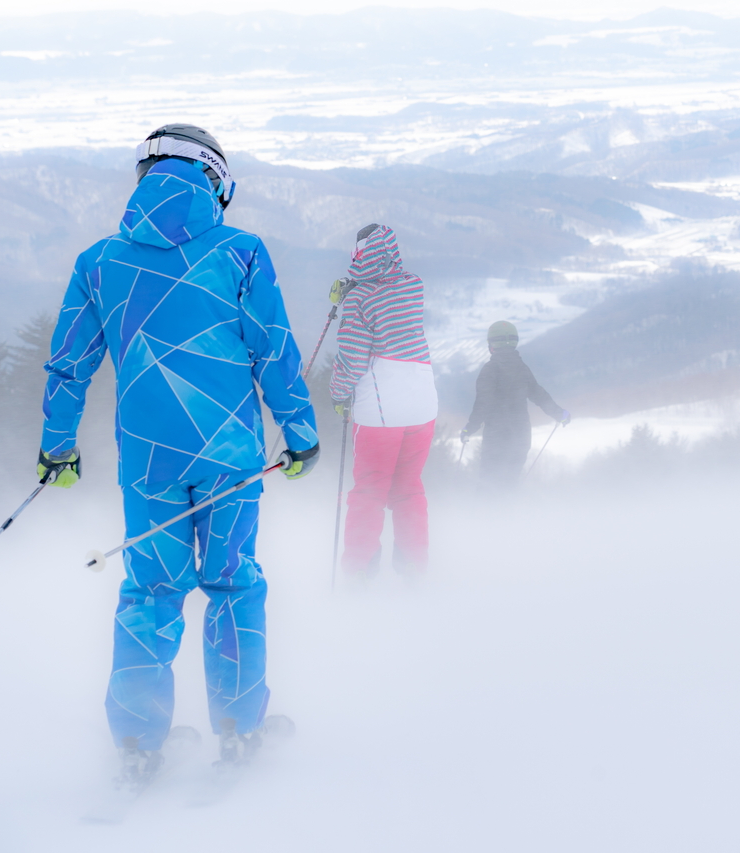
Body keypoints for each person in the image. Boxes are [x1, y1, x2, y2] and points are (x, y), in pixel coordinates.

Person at [38, 124, 319, 783]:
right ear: (215, 181)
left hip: (148, 462)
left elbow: (68, 366)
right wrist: (299, 432)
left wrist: (59, 448)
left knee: (150, 591)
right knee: (232, 583)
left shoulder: (98, 262)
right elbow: (272, 350)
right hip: (229, 455)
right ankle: (240, 730)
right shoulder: (240, 251)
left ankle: (137, 741)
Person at [329, 224, 437, 578]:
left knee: (370, 491)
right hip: (423, 403)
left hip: (381, 409)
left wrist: (339, 394)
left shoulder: (360, 300)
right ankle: (414, 570)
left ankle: (357, 573)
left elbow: (353, 359)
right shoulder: (413, 284)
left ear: (361, 254)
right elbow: (388, 290)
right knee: (408, 489)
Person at [460, 320, 570, 486]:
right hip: (521, 436)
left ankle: (486, 512)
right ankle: (509, 511)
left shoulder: (489, 370)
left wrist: (469, 428)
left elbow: (483, 403)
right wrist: (559, 413)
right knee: (509, 484)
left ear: (492, 344)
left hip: (497, 437)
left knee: (489, 485)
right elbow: (539, 395)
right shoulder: (522, 368)